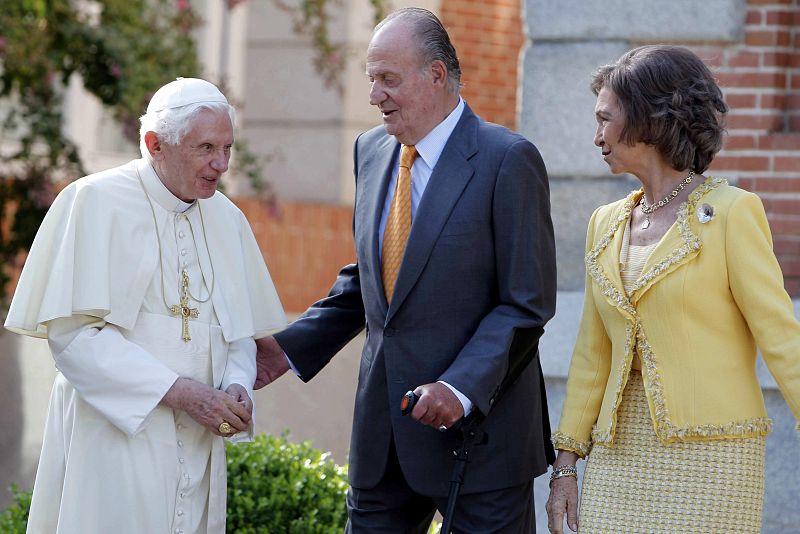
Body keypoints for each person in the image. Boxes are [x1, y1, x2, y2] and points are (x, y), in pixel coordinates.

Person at [254, 7, 556, 533]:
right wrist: (289, 348)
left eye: (387, 79)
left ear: (436, 75)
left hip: (480, 444)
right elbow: (373, 281)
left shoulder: (507, 160)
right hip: (383, 441)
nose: (374, 96)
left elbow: (525, 303)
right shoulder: (370, 151)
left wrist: (458, 389)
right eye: (371, 79)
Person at [5, 77, 286, 534]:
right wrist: (181, 393)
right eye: (206, 147)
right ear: (155, 144)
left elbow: (238, 332)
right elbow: (73, 338)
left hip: (200, 435)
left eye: (228, 148)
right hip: (116, 434)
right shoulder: (93, 201)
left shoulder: (227, 218)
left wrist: (237, 387)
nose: (220, 164)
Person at [545, 45, 800, 534]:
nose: (596, 136)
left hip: (714, 455)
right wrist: (565, 467)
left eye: (605, 119)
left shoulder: (731, 213)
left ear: (648, 118)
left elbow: (781, 335)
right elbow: (590, 355)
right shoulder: (605, 223)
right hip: (618, 455)